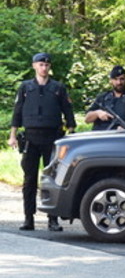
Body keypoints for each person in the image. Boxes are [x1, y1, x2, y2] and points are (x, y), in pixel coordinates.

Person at [8, 52, 76, 231]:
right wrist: (13, 135)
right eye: (40, 65)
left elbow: (68, 111)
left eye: (46, 65)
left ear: (49, 67)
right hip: (31, 137)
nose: (43, 68)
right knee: (29, 179)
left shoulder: (58, 88)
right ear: (34, 66)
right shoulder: (25, 87)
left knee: (53, 179)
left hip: (53, 138)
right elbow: (17, 112)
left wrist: (71, 131)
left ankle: (52, 219)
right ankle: (28, 218)